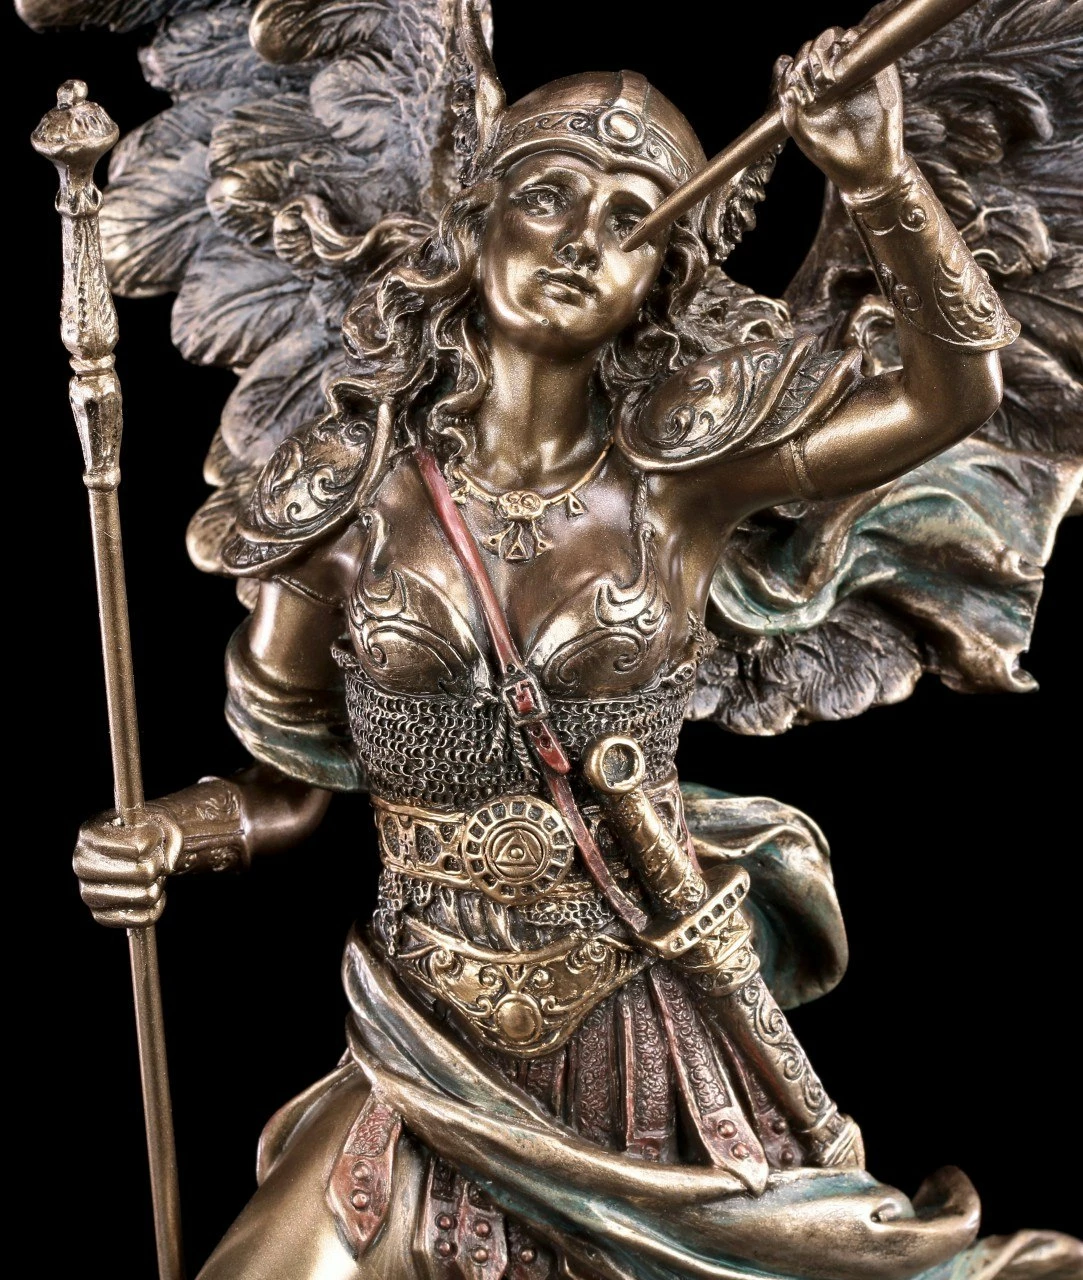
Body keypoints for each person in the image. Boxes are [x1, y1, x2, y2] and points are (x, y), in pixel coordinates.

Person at [73, 28, 1074, 1280]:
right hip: (425, 1043)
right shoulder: (343, 501)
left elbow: (954, 393)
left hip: (647, 1028)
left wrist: (876, 174)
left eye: (630, 219)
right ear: (476, 221)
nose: (582, 239)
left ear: (659, 278)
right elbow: (287, 784)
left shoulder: (684, 488)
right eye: (548, 196)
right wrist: (170, 835)